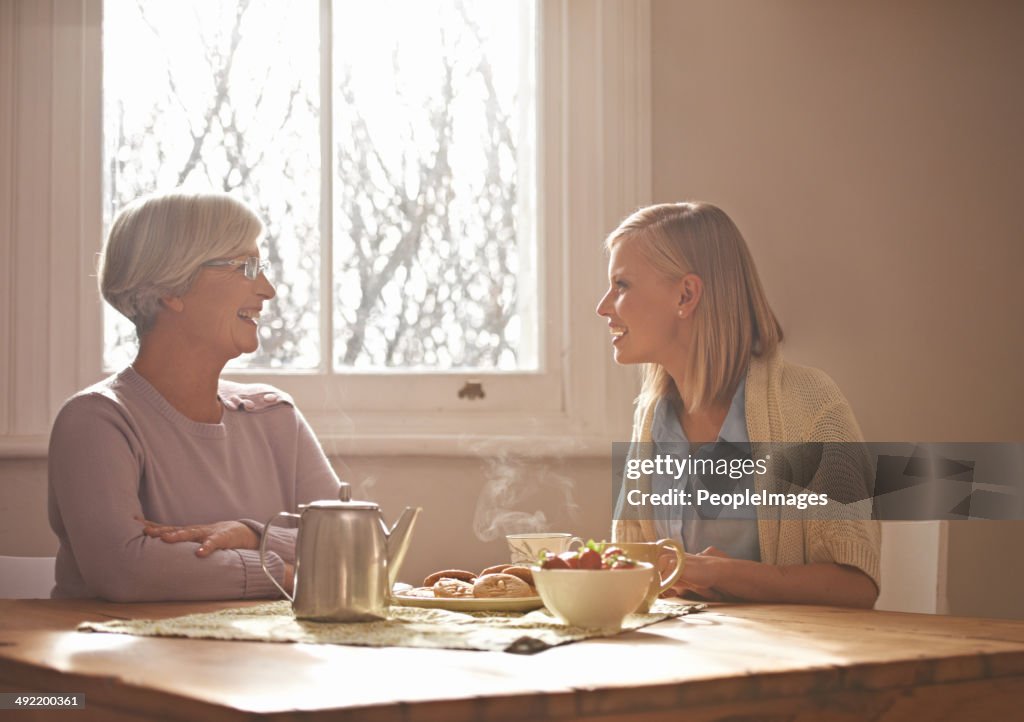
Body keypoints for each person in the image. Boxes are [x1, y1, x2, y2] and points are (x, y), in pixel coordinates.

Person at [47, 192, 340, 601]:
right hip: (125, 660)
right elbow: (126, 572)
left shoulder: (275, 416)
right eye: (247, 267)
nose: (268, 289)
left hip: (265, 663)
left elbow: (361, 547)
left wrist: (252, 535)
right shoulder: (96, 422)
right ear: (173, 287)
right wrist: (289, 573)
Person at [598, 202, 880, 608]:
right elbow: (630, 568)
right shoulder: (652, 416)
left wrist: (727, 576)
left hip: (784, 660)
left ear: (686, 294)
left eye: (621, 285)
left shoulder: (811, 407)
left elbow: (858, 588)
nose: (604, 306)